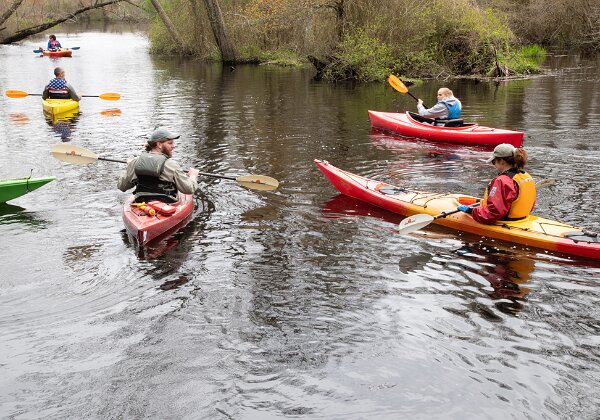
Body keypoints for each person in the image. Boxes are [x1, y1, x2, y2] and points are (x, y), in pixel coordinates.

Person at [457, 143, 536, 224]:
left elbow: (493, 214)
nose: (494, 165)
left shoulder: (502, 181)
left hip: (505, 222)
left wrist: (471, 211)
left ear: (502, 161)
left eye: (494, 162)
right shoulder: (526, 176)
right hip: (522, 219)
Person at [117, 127, 200, 203]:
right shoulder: (171, 165)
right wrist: (193, 176)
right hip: (167, 204)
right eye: (170, 143)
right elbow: (189, 189)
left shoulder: (136, 162)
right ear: (159, 144)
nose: (173, 146)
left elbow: (121, 186)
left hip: (141, 202)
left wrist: (130, 167)